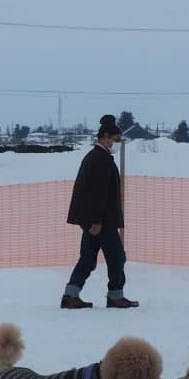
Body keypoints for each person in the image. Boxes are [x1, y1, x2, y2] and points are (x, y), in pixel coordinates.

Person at [61, 114, 138, 309]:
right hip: (101, 221)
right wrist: (96, 222)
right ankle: (115, 296)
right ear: (105, 137)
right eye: (115, 139)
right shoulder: (101, 160)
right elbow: (97, 194)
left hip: (94, 220)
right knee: (117, 257)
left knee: (87, 259)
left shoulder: (96, 157)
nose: (117, 143)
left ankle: (70, 296)